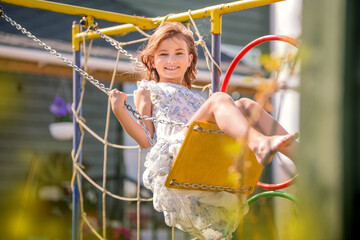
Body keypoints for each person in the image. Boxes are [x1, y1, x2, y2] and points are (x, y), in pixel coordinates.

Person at [109, 22, 298, 240]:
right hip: (178, 155)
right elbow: (145, 139)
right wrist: (119, 110)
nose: (171, 60)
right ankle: (259, 143)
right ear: (152, 60)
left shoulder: (196, 97)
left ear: (189, 59)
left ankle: (298, 155)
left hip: (203, 147)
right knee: (219, 99)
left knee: (246, 105)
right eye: (163, 54)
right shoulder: (148, 90)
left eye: (179, 53)